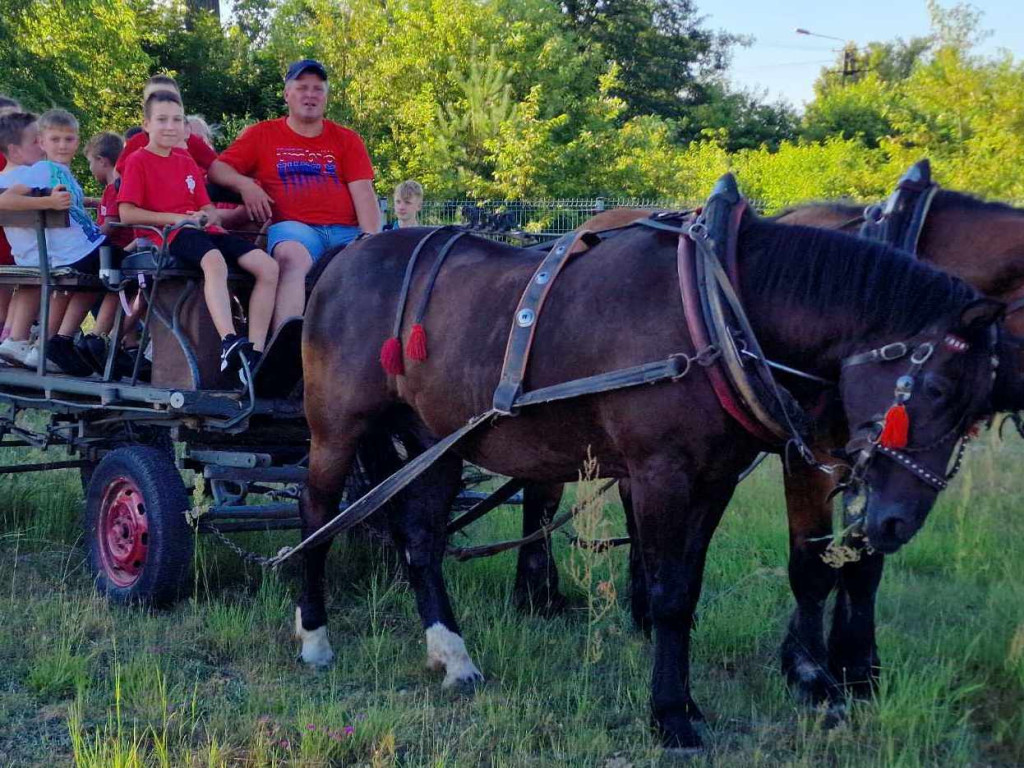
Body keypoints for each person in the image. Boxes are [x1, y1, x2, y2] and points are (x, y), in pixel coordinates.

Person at [117, 91, 279, 382]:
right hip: (166, 235)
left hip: (202, 230)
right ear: (146, 125)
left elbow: (206, 205)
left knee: (267, 266)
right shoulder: (138, 160)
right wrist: (177, 219)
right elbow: (127, 213)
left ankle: (254, 352)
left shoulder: (187, 160)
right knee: (214, 261)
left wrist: (207, 215)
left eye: (177, 120)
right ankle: (229, 341)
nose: (170, 126)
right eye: (162, 120)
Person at [208, 59, 380, 330]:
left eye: (318, 89)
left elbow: (363, 192)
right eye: (302, 88)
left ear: (326, 96)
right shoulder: (262, 134)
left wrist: (370, 238)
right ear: (287, 94)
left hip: (346, 230)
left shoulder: (347, 139)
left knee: (377, 264)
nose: (310, 95)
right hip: (296, 229)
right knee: (291, 259)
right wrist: (246, 185)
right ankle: (284, 346)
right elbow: (217, 168)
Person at [0, 110, 111, 375]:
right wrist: (47, 203)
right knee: (116, 265)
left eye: (69, 139)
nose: (63, 145)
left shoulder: (53, 171)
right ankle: (63, 341)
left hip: (57, 253)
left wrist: (88, 202)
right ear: (41, 142)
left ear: (77, 141)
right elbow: (4, 201)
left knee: (107, 261)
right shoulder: (42, 170)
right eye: (56, 139)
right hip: (60, 255)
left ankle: (45, 341)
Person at [116, 75, 218, 177]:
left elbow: (218, 168)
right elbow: (118, 178)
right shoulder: (137, 143)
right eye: (155, 98)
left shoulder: (191, 141)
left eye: (170, 98)